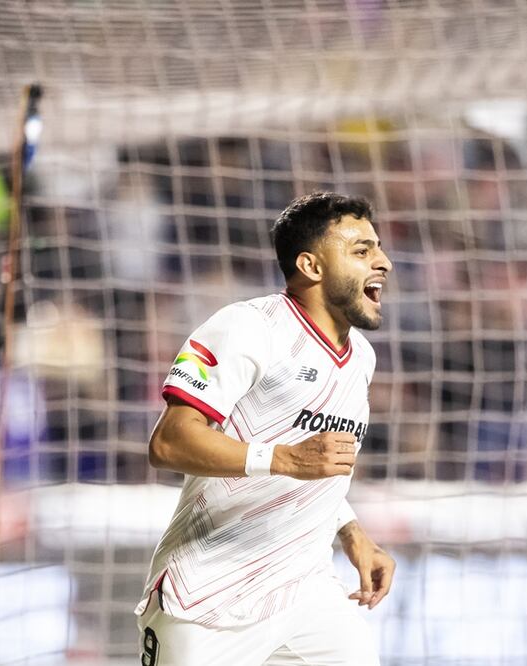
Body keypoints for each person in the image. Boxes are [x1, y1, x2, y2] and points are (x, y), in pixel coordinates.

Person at [136, 191, 396, 666]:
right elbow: (169, 441)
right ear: (311, 266)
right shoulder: (246, 327)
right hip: (209, 598)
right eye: (362, 250)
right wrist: (283, 458)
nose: (384, 262)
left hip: (305, 592)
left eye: (377, 248)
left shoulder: (362, 356)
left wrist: (351, 530)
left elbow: (316, 463)